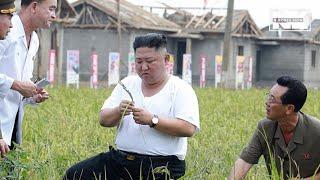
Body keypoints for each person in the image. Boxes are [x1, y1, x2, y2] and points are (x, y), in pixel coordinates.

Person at [64, 33, 200, 179]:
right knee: (75, 175)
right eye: (139, 61)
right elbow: (103, 120)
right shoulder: (127, 84)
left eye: (149, 61)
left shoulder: (180, 88)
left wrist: (152, 120)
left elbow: (188, 128)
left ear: (165, 59)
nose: (144, 67)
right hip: (121, 161)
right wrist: (118, 111)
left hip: (161, 165)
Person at [229, 76, 320, 179]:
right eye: (268, 96)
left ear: (289, 108)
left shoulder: (317, 131)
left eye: (272, 99)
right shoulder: (265, 127)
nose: (267, 103)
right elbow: (244, 162)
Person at [0, 0, 57, 157]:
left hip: (13, 124)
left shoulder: (35, 40)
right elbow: (16, 84)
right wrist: (17, 85)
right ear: (34, 7)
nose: (54, 15)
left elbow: (22, 83)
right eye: (51, 9)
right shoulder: (5, 29)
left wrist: (32, 95)